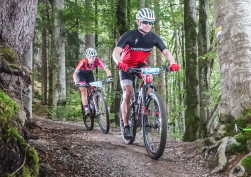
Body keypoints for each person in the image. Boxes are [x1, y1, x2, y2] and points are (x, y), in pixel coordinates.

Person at [112, 8, 180, 138]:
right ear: (138, 21)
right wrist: (119, 62)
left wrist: (172, 63)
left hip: (140, 65)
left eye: (150, 22)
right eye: (145, 22)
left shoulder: (153, 37)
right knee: (127, 92)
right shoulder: (129, 35)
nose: (148, 25)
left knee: (149, 81)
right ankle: (126, 125)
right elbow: (116, 52)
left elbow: (165, 51)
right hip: (126, 66)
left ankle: (145, 101)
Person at [73, 47, 112, 115]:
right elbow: (75, 74)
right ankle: (86, 109)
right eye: (90, 57)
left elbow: (106, 68)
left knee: (93, 88)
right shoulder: (82, 62)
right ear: (86, 57)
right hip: (81, 74)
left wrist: (109, 77)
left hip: (89, 74)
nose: (92, 59)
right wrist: (76, 82)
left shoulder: (97, 60)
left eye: (93, 57)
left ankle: (93, 103)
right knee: (84, 91)